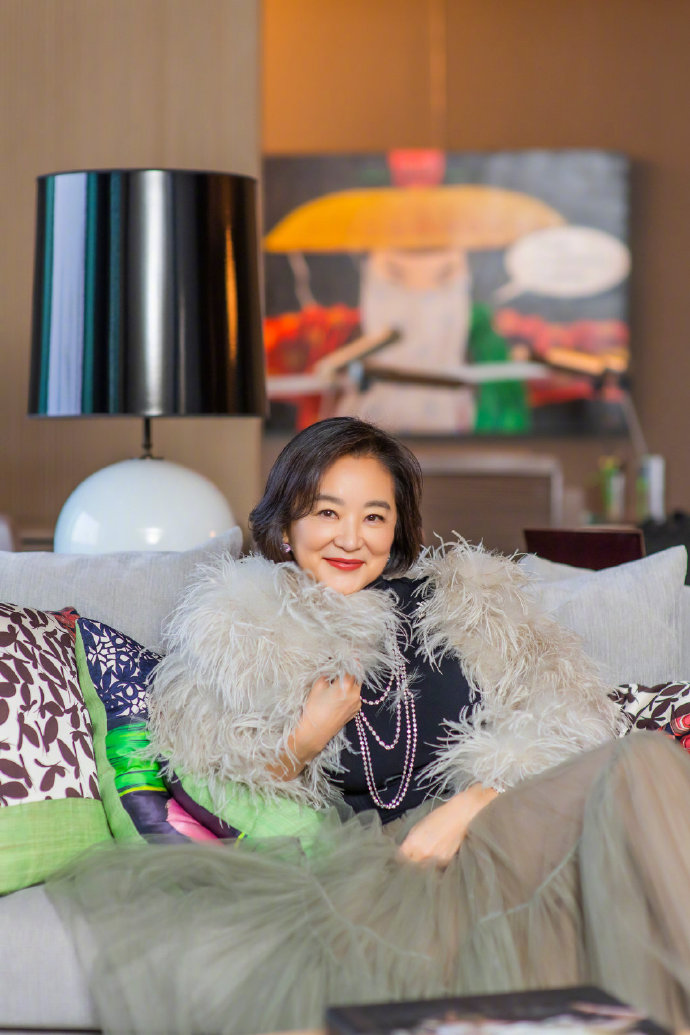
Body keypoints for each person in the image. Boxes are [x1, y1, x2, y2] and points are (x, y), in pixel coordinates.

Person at [50, 417, 690, 1033]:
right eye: (327, 513)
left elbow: (568, 717)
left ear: (397, 528)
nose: (351, 539)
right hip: (390, 870)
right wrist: (302, 742)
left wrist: (474, 802)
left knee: (641, 759)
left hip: (498, 825)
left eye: (374, 517)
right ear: (286, 524)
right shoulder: (243, 634)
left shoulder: (469, 608)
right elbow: (222, 784)